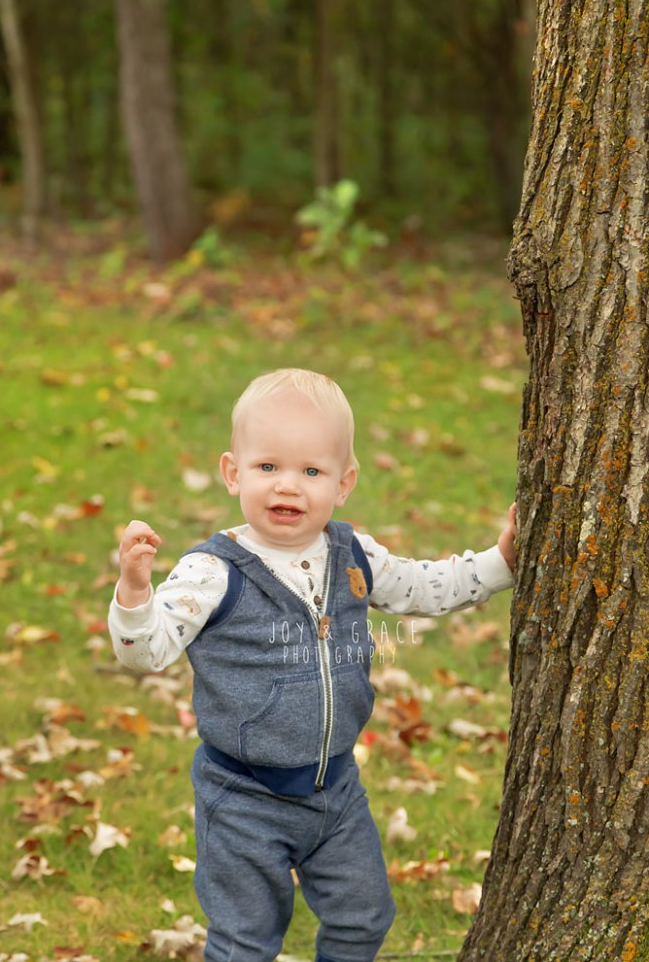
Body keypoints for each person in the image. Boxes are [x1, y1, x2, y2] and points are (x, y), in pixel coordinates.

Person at [108, 368, 516, 962]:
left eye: (311, 471)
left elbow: (425, 586)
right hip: (243, 795)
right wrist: (134, 592)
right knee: (246, 941)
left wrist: (499, 562)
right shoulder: (212, 571)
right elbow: (145, 652)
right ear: (232, 473)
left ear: (344, 483)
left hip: (335, 790)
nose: (288, 487)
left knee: (365, 918)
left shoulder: (353, 554)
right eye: (267, 467)